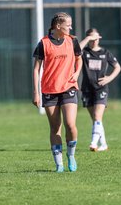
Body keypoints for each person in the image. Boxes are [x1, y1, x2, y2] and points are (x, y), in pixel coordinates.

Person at [32, 12, 98, 172]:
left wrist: (76, 73)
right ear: (58, 26)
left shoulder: (72, 41)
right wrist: (36, 92)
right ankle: (59, 164)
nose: (71, 27)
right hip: (49, 90)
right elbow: (36, 69)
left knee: (70, 124)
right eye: (68, 25)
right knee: (55, 127)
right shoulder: (43, 43)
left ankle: (71, 155)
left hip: (69, 87)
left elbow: (78, 58)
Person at [79, 28, 121, 152]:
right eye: (91, 39)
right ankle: (103, 144)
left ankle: (93, 143)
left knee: (97, 116)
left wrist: (109, 78)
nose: (94, 41)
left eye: (96, 38)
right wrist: (87, 39)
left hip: (101, 89)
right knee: (95, 119)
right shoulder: (84, 52)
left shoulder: (105, 52)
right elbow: (75, 50)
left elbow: (117, 67)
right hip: (87, 88)